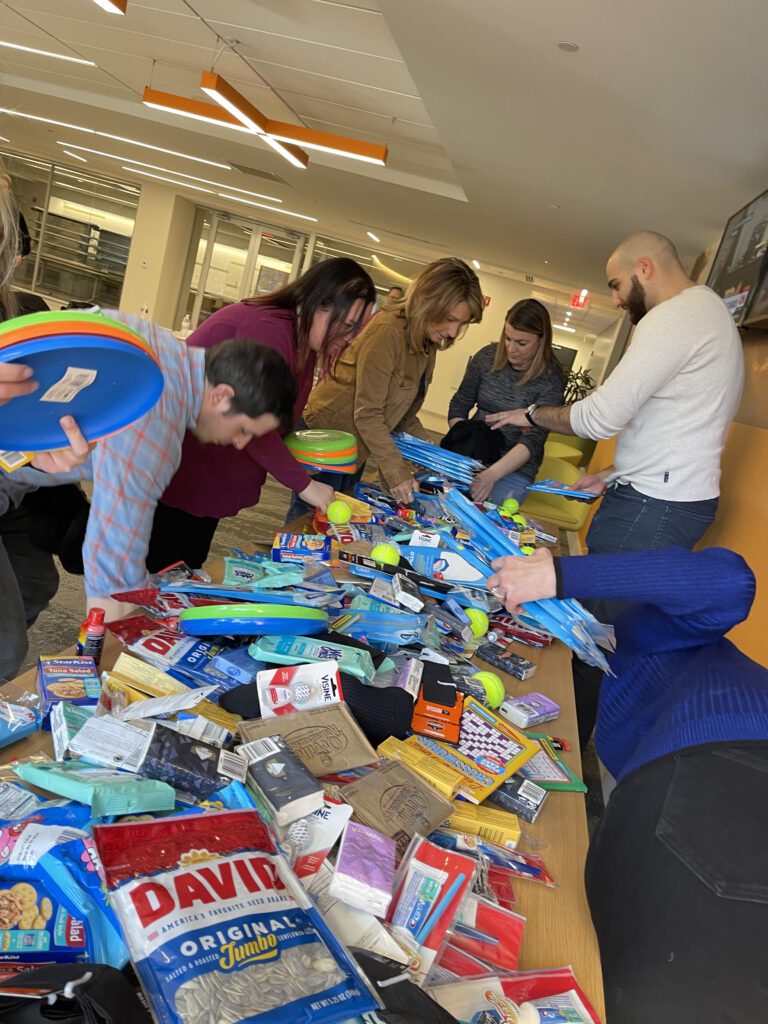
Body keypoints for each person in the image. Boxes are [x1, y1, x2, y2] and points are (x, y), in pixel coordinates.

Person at [488, 545, 767, 1024]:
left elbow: (730, 583)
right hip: (701, 782)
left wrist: (556, 573)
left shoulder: (660, 631)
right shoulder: (614, 645)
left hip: (724, 773)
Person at [486, 231, 744, 744]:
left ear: (644, 268)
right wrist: (616, 473)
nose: (615, 299)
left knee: (588, 637)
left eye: (616, 284)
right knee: (596, 624)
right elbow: (682, 420)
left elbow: (600, 415)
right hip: (660, 497)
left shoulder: (674, 317)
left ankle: (550, 751)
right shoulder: (708, 314)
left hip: (657, 507)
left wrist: (531, 413)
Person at [0, 317, 297, 678]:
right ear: (222, 396)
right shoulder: (156, 414)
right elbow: (112, 565)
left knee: (34, 584)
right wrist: (113, 662)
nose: (239, 443)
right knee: (6, 645)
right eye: (244, 430)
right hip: (10, 475)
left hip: (18, 478)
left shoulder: (163, 348)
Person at [149, 257, 376, 569]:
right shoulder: (265, 330)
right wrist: (303, 485)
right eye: (347, 325)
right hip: (183, 460)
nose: (349, 338)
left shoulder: (300, 339)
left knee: (185, 562)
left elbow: (278, 416)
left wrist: (297, 459)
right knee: (160, 564)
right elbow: (252, 420)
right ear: (317, 304)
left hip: (210, 464)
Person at [290, 257, 484, 516]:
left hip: (356, 445)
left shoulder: (426, 342)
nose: (452, 332)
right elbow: (368, 414)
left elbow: (403, 415)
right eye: (450, 319)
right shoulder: (388, 331)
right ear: (428, 301)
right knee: (310, 525)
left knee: (337, 521)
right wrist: (397, 473)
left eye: (462, 324)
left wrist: (432, 456)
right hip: (328, 440)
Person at [447, 298, 565, 504]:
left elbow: (533, 440)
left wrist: (491, 475)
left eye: (521, 343)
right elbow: (460, 403)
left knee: (487, 519)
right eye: (507, 338)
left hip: (514, 469)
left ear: (541, 340)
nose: (511, 348)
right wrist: (465, 442)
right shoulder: (486, 357)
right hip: (471, 456)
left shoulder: (551, 379)